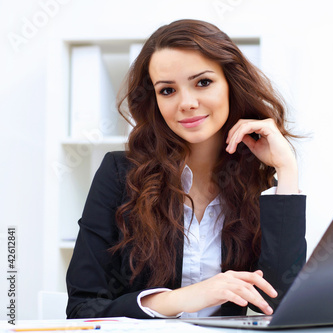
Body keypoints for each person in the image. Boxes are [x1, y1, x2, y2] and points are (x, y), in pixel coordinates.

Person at [66, 19, 306, 319]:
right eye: (167, 90)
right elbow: (83, 308)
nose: (187, 103)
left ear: (231, 84)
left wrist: (287, 169)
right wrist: (183, 299)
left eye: (203, 82)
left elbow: (278, 302)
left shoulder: (255, 179)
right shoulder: (120, 173)